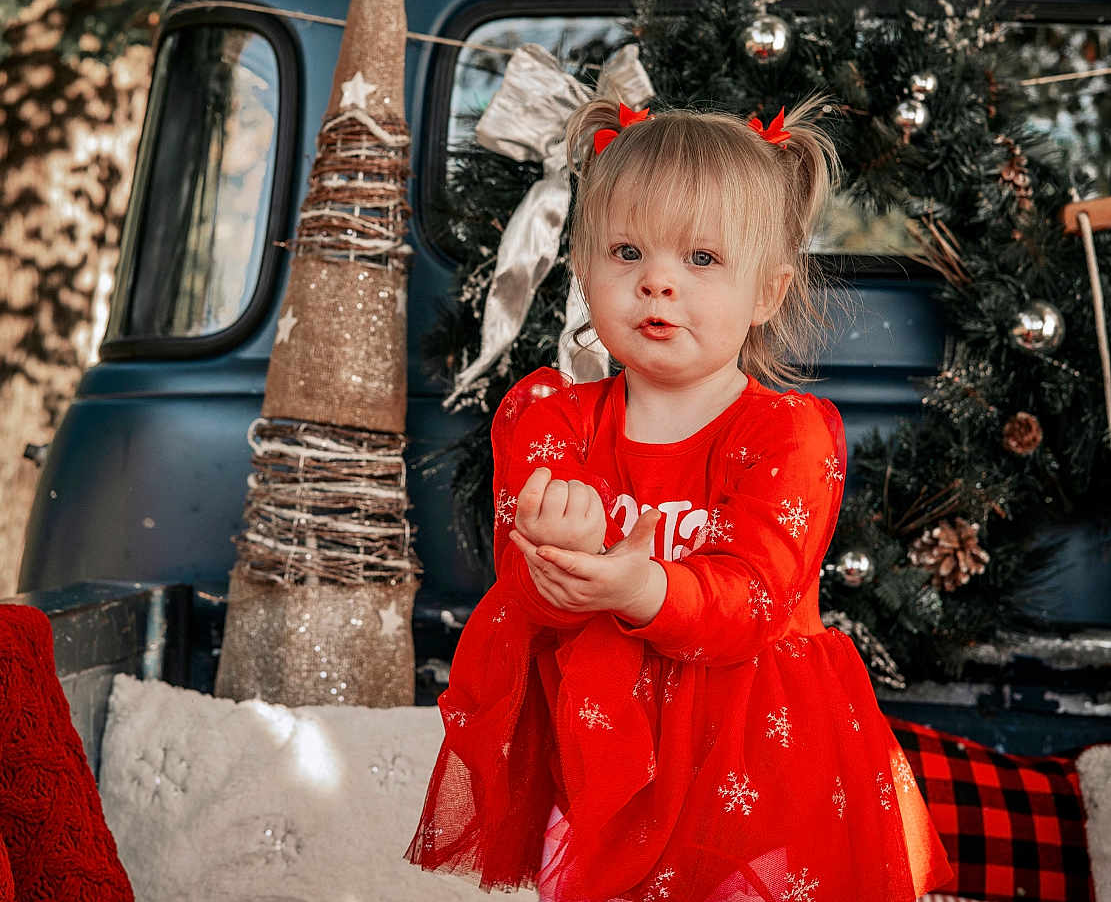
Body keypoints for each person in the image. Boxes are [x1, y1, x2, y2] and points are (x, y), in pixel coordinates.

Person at [406, 94, 953, 902]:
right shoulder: (549, 417)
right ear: (583, 270)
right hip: (602, 757)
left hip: (755, 761)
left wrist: (641, 586)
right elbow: (521, 600)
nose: (657, 280)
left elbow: (755, 596)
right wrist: (557, 557)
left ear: (766, 292)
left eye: (701, 258)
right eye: (626, 251)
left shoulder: (785, 435)